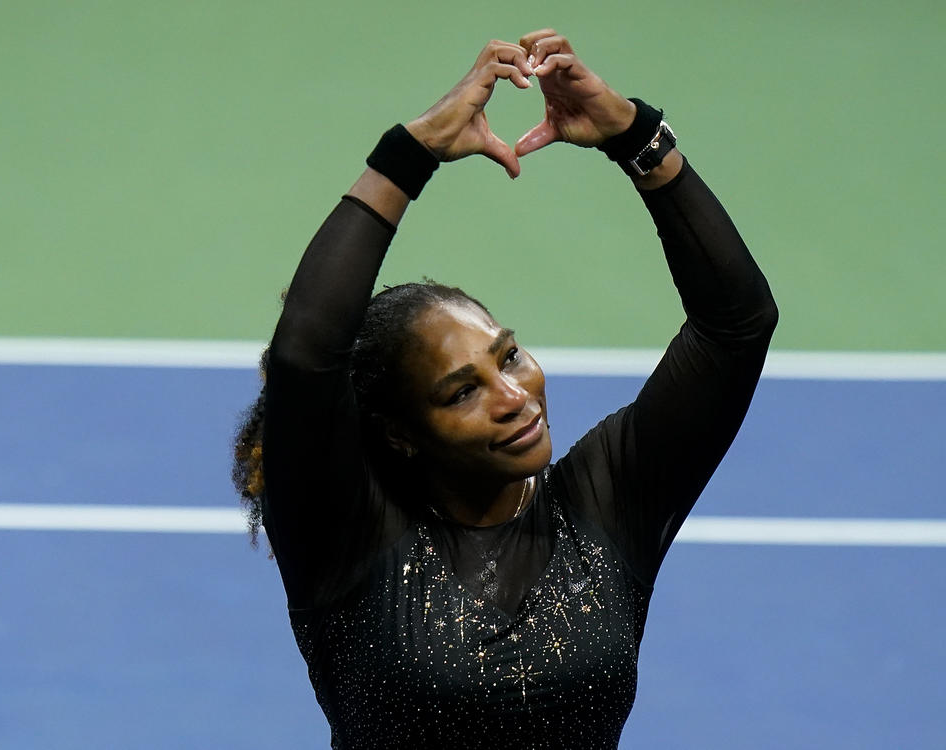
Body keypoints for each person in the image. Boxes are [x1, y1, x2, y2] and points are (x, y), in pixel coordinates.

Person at [233, 29, 777, 749]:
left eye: (509, 356)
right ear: (400, 431)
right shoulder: (346, 536)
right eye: (461, 392)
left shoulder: (607, 504)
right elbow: (305, 356)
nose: (513, 395)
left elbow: (737, 326)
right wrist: (410, 153)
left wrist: (636, 137)